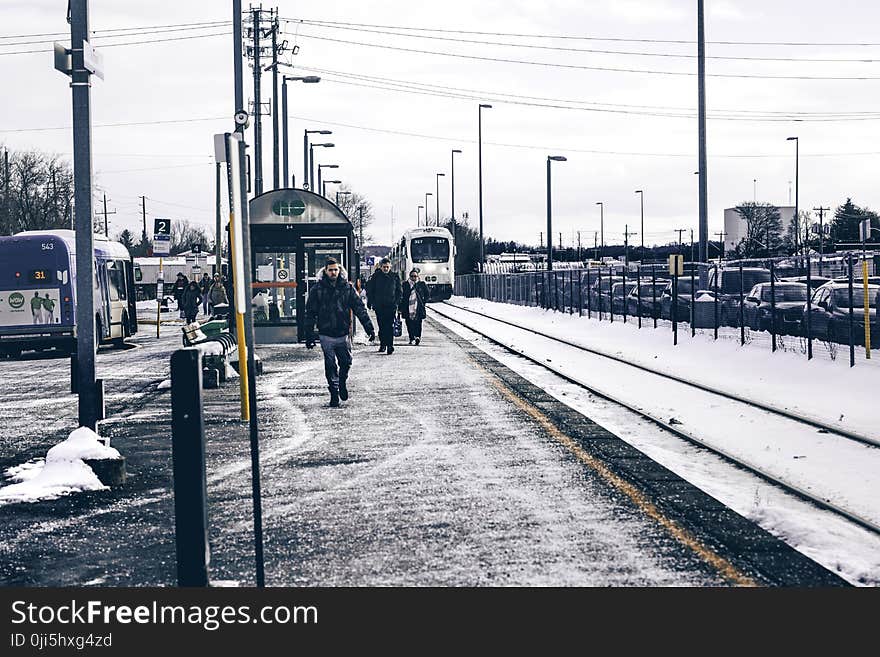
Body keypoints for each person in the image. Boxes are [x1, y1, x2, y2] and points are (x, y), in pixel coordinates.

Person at [304, 258, 375, 408]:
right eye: (330, 270)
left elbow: (359, 308)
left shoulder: (347, 288)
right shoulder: (317, 289)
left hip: (343, 332)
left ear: (339, 270)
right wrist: (309, 334)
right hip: (326, 333)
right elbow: (310, 312)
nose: (333, 272)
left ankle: (341, 382)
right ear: (325, 271)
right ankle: (334, 393)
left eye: (335, 270)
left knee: (346, 362)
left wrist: (369, 328)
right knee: (330, 365)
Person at [365, 257, 401, 354]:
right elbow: (370, 290)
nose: (386, 269)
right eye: (384, 267)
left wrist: (396, 303)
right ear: (381, 267)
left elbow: (399, 291)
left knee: (389, 326)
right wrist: (371, 302)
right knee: (382, 326)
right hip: (379, 306)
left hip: (391, 305)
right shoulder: (376, 277)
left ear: (390, 267)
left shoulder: (395, 277)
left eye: (387, 267)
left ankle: (390, 345)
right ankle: (383, 344)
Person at [399, 268, 430, 345]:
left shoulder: (422, 284)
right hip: (407, 307)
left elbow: (427, 294)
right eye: (412, 276)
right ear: (409, 276)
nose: (413, 278)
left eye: (415, 276)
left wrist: (423, 302)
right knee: (409, 323)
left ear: (418, 276)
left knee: (418, 323)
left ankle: (417, 337)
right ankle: (411, 337)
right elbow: (401, 296)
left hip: (418, 308)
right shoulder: (405, 285)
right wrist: (400, 308)